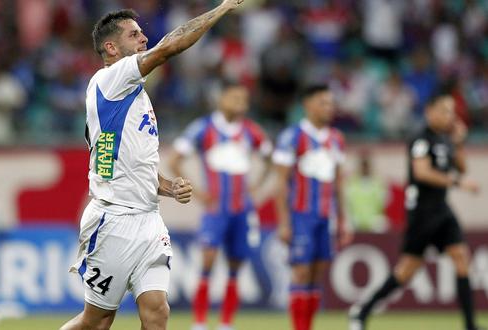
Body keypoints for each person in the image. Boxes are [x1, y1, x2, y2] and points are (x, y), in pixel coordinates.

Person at [60, 1, 245, 329]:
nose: (145, 39)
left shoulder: (133, 94)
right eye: (135, 35)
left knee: (157, 311)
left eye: (143, 33)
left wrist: (169, 186)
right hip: (115, 219)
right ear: (111, 47)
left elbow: (133, 163)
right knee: (98, 321)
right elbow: (169, 48)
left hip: (149, 220)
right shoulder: (110, 80)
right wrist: (222, 9)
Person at [349, 90, 483, 330]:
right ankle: (363, 310)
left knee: (462, 259)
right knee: (406, 271)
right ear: (429, 111)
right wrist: (457, 183)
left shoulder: (445, 140)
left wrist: (460, 143)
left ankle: (471, 325)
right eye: (443, 110)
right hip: (422, 212)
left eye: (451, 111)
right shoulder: (421, 139)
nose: (449, 116)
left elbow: (461, 168)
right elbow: (422, 173)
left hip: (442, 210)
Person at [169, 81, 272, 330]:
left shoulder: (251, 131)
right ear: (221, 99)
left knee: (236, 265)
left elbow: (271, 158)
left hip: (242, 209)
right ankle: (200, 322)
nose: (241, 104)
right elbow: (175, 160)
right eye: (235, 98)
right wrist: (199, 192)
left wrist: (257, 185)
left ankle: (226, 323)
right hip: (215, 210)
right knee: (208, 260)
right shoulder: (203, 128)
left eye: (244, 99)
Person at [273, 85, 352, 330]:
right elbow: (281, 184)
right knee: (301, 273)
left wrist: (343, 220)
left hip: (325, 217)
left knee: (318, 274)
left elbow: (339, 183)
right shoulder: (292, 137)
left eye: (330, 103)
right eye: (323, 103)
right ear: (307, 105)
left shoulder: (336, 139)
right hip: (301, 217)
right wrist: (284, 222)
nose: (328, 108)